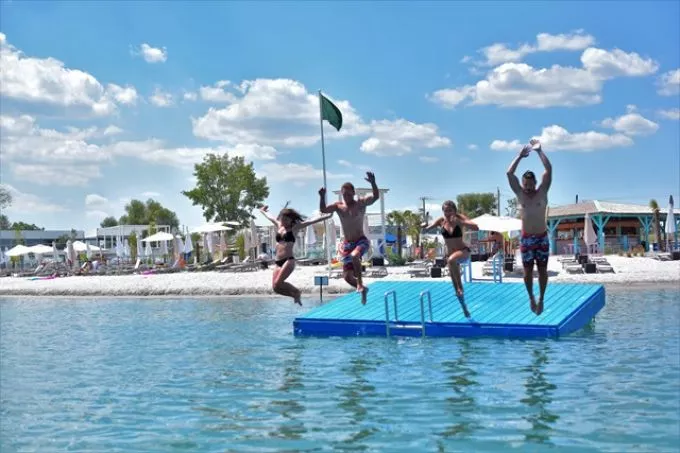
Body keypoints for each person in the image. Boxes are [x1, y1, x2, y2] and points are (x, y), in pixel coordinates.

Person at [506, 138, 552, 315]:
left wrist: (540, 151)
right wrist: (519, 156)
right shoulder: (519, 194)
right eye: (525, 185)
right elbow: (509, 174)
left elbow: (548, 170)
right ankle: (531, 297)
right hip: (526, 238)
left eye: (530, 185)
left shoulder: (542, 192)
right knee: (527, 273)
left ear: (535, 184)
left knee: (542, 271)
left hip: (541, 237)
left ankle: (541, 298)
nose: (528, 188)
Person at [319, 172, 379, 305]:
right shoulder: (338, 207)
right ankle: (363, 290)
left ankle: (360, 284)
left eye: (349, 194)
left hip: (361, 241)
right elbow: (323, 209)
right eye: (344, 194)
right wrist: (322, 197)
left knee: (355, 255)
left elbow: (375, 197)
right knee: (346, 277)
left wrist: (373, 183)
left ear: (354, 193)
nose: (346, 196)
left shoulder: (361, 203)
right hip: (347, 244)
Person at [258, 204, 332, 305]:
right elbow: (270, 217)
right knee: (276, 288)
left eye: (286, 220)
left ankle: (297, 291)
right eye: (282, 219)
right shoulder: (280, 226)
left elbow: (312, 221)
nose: (283, 221)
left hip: (289, 260)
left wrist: (328, 216)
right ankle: (294, 295)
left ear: (291, 220)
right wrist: (263, 211)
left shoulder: (295, 228)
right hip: (278, 262)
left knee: (279, 283)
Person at [422, 200, 479, 317]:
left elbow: (476, 227)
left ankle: (459, 287)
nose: (447, 213)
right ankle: (465, 309)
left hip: (463, 252)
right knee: (457, 290)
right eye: (445, 210)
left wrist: (461, 222)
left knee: (451, 261)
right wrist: (424, 226)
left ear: (454, 210)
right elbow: (429, 227)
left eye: (450, 210)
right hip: (451, 257)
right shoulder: (441, 221)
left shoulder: (459, 218)